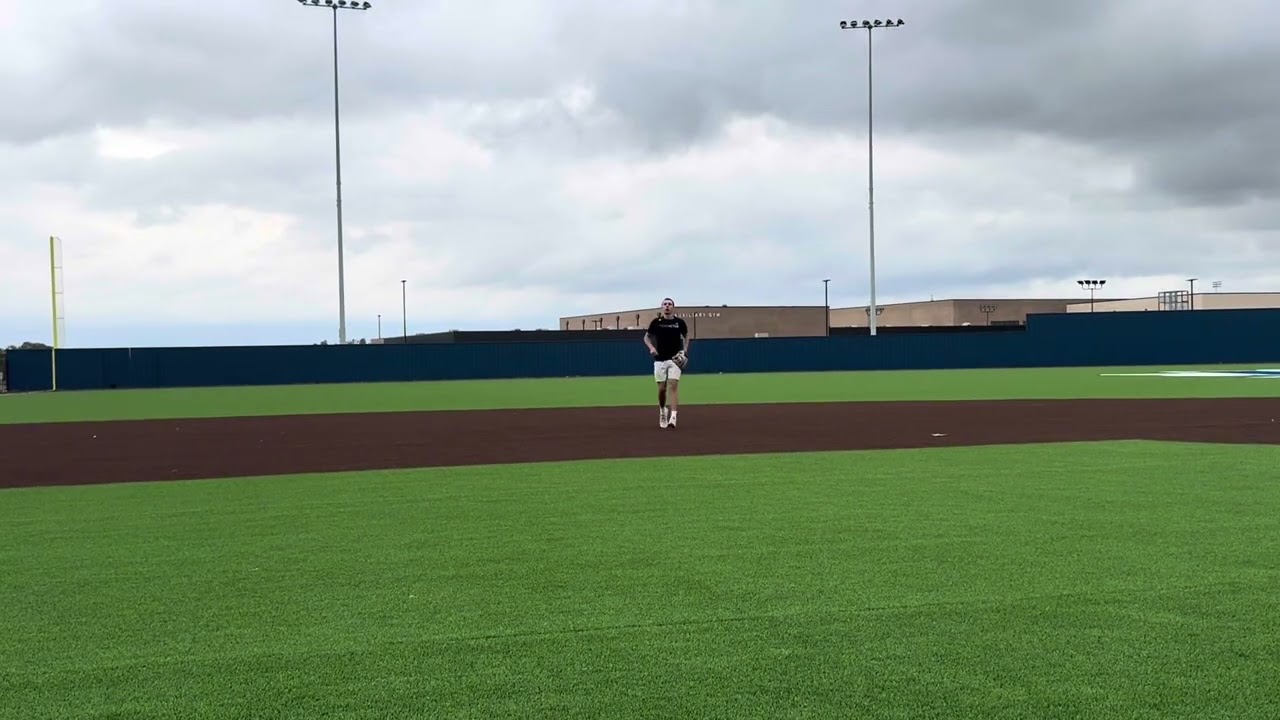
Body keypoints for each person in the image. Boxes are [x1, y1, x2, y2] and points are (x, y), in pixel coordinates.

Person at [644, 297, 690, 429]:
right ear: (662, 307)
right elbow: (646, 337)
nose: (667, 306)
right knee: (661, 389)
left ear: (673, 307)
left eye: (669, 304)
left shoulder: (679, 322)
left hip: (675, 359)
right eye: (665, 304)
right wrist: (652, 348)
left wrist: (685, 350)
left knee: (673, 386)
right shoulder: (656, 322)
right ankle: (662, 410)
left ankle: (673, 417)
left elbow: (687, 335)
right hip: (659, 359)